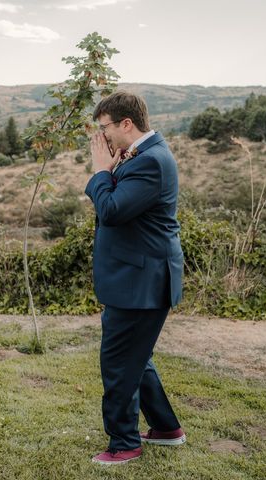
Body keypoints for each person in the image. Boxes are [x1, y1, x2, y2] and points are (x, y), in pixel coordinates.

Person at [84, 91, 185, 465]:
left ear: (127, 124)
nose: (102, 135)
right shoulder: (144, 155)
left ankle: (124, 443)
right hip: (136, 276)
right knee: (136, 359)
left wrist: (99, 171)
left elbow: (110, 209)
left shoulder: (152, 161)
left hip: (140, 281)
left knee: (119, 362)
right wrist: (110, 170)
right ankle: (166, 428)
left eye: (105, 127)